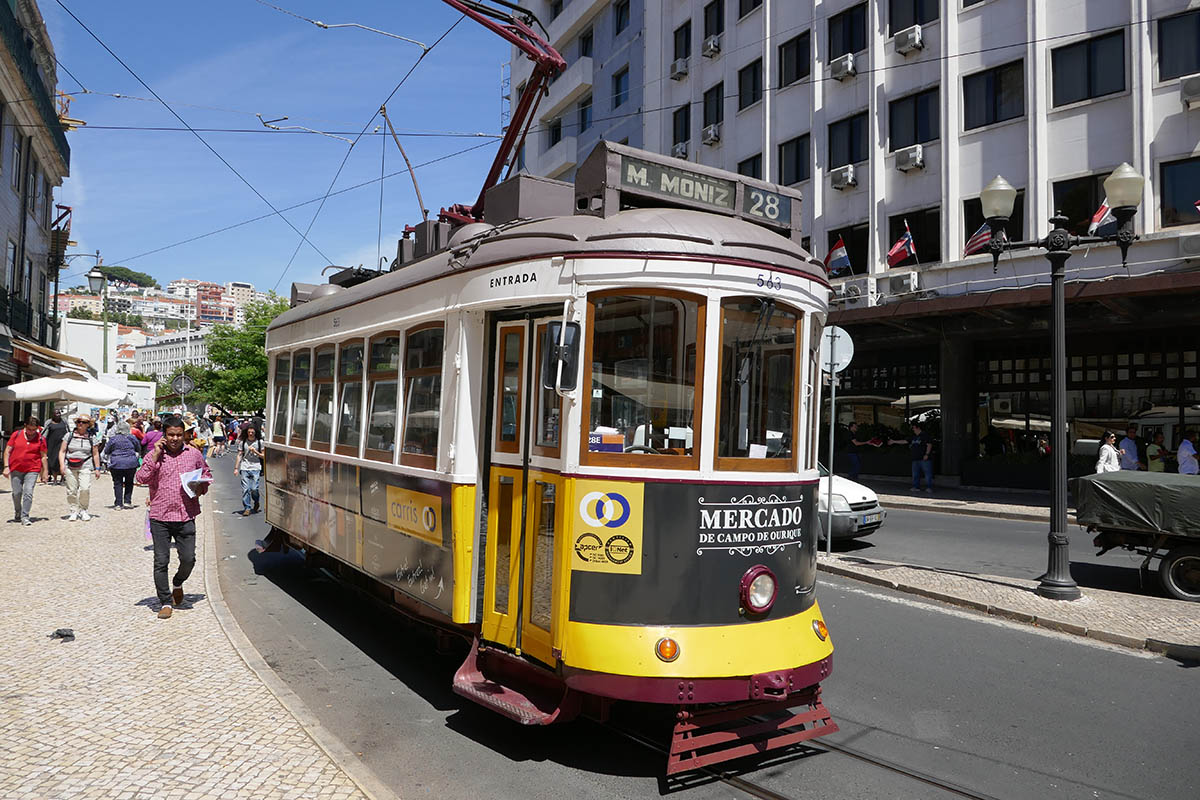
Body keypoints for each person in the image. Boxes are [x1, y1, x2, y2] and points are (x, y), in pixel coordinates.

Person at [135, 414, 212, 620]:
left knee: (189, 559)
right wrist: (155, 455)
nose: (175, 439)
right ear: (164, 435)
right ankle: (165, 601)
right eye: (171, 435)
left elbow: (206, 474)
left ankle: (178, 583)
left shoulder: (194, 454)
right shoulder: (155, 454)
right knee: (161, 561)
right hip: (160, 515)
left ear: (184, 435)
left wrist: (201, 487)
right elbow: (140, 478)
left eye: (179, 435)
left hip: (186, 514)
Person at [4, 416, 48, 525]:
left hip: (32, 469)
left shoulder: (41, 439)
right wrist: (6, 466)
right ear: (25, 426)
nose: (32, 432)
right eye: (29, 429)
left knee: (28, 492)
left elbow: (43, 456)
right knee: (17, 493)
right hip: (16, 468)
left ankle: (25, 516)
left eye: (34, 430)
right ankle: (18, 512)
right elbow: (7, 451)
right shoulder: (16, 435)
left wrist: (45, 471)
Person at [59, 414, 100, 522]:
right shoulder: (69, 436)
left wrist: (97, 468)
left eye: (84, 422)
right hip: (70, 465)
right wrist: (62, 465)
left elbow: (95, 454)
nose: (81, 424)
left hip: (85, 465)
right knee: (71, 490)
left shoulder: (92, 437)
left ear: (88, 425)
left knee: (85, 488)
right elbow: (62, 451)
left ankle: (83, 510)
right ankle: (73, 510)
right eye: (79, 421)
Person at [104, 420, 141, 509]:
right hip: (130, 463)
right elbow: (138, 448)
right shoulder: (132, 437)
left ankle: (118, 503)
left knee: (118, 483)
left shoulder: (113, 439)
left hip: (117, 463)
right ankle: (127, 501)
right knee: (129, 482)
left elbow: (106, 451)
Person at [233, 424, 263, 516]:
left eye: (252, 432)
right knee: (246, 489)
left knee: (254, 489)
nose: (250, 434)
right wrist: (236, 468)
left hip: (256, 467)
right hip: (245, 467)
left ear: (255, 433)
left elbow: (263, 456)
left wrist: (255, 452)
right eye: (249, 432)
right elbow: (239, 455)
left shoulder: (260, 442)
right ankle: (247, 508)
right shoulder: (243, 443)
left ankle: (256, 501)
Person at [895, 423, 934, 492]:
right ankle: (916, 487)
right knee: (915, 474)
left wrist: (927, 454)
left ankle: (929, 487)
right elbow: (905, 441)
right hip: (915, 458)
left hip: (924, 458)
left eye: (914, 428)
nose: (913, 429)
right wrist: (894, 441)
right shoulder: (913, 437)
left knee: (927, 474)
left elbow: (929, 445)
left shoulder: (925, 436)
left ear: (918, 428)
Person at [43, 411, 67, 485]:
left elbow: (68, 431)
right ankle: (55, 479)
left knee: (62, 460)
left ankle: (62, 478)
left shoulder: (64, 421)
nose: (58, 415)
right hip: (52, 445)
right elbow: (44, 433)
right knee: (52, 461)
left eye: (59, 413)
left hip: (62, 444)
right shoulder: (49, 422)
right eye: (56, 413)